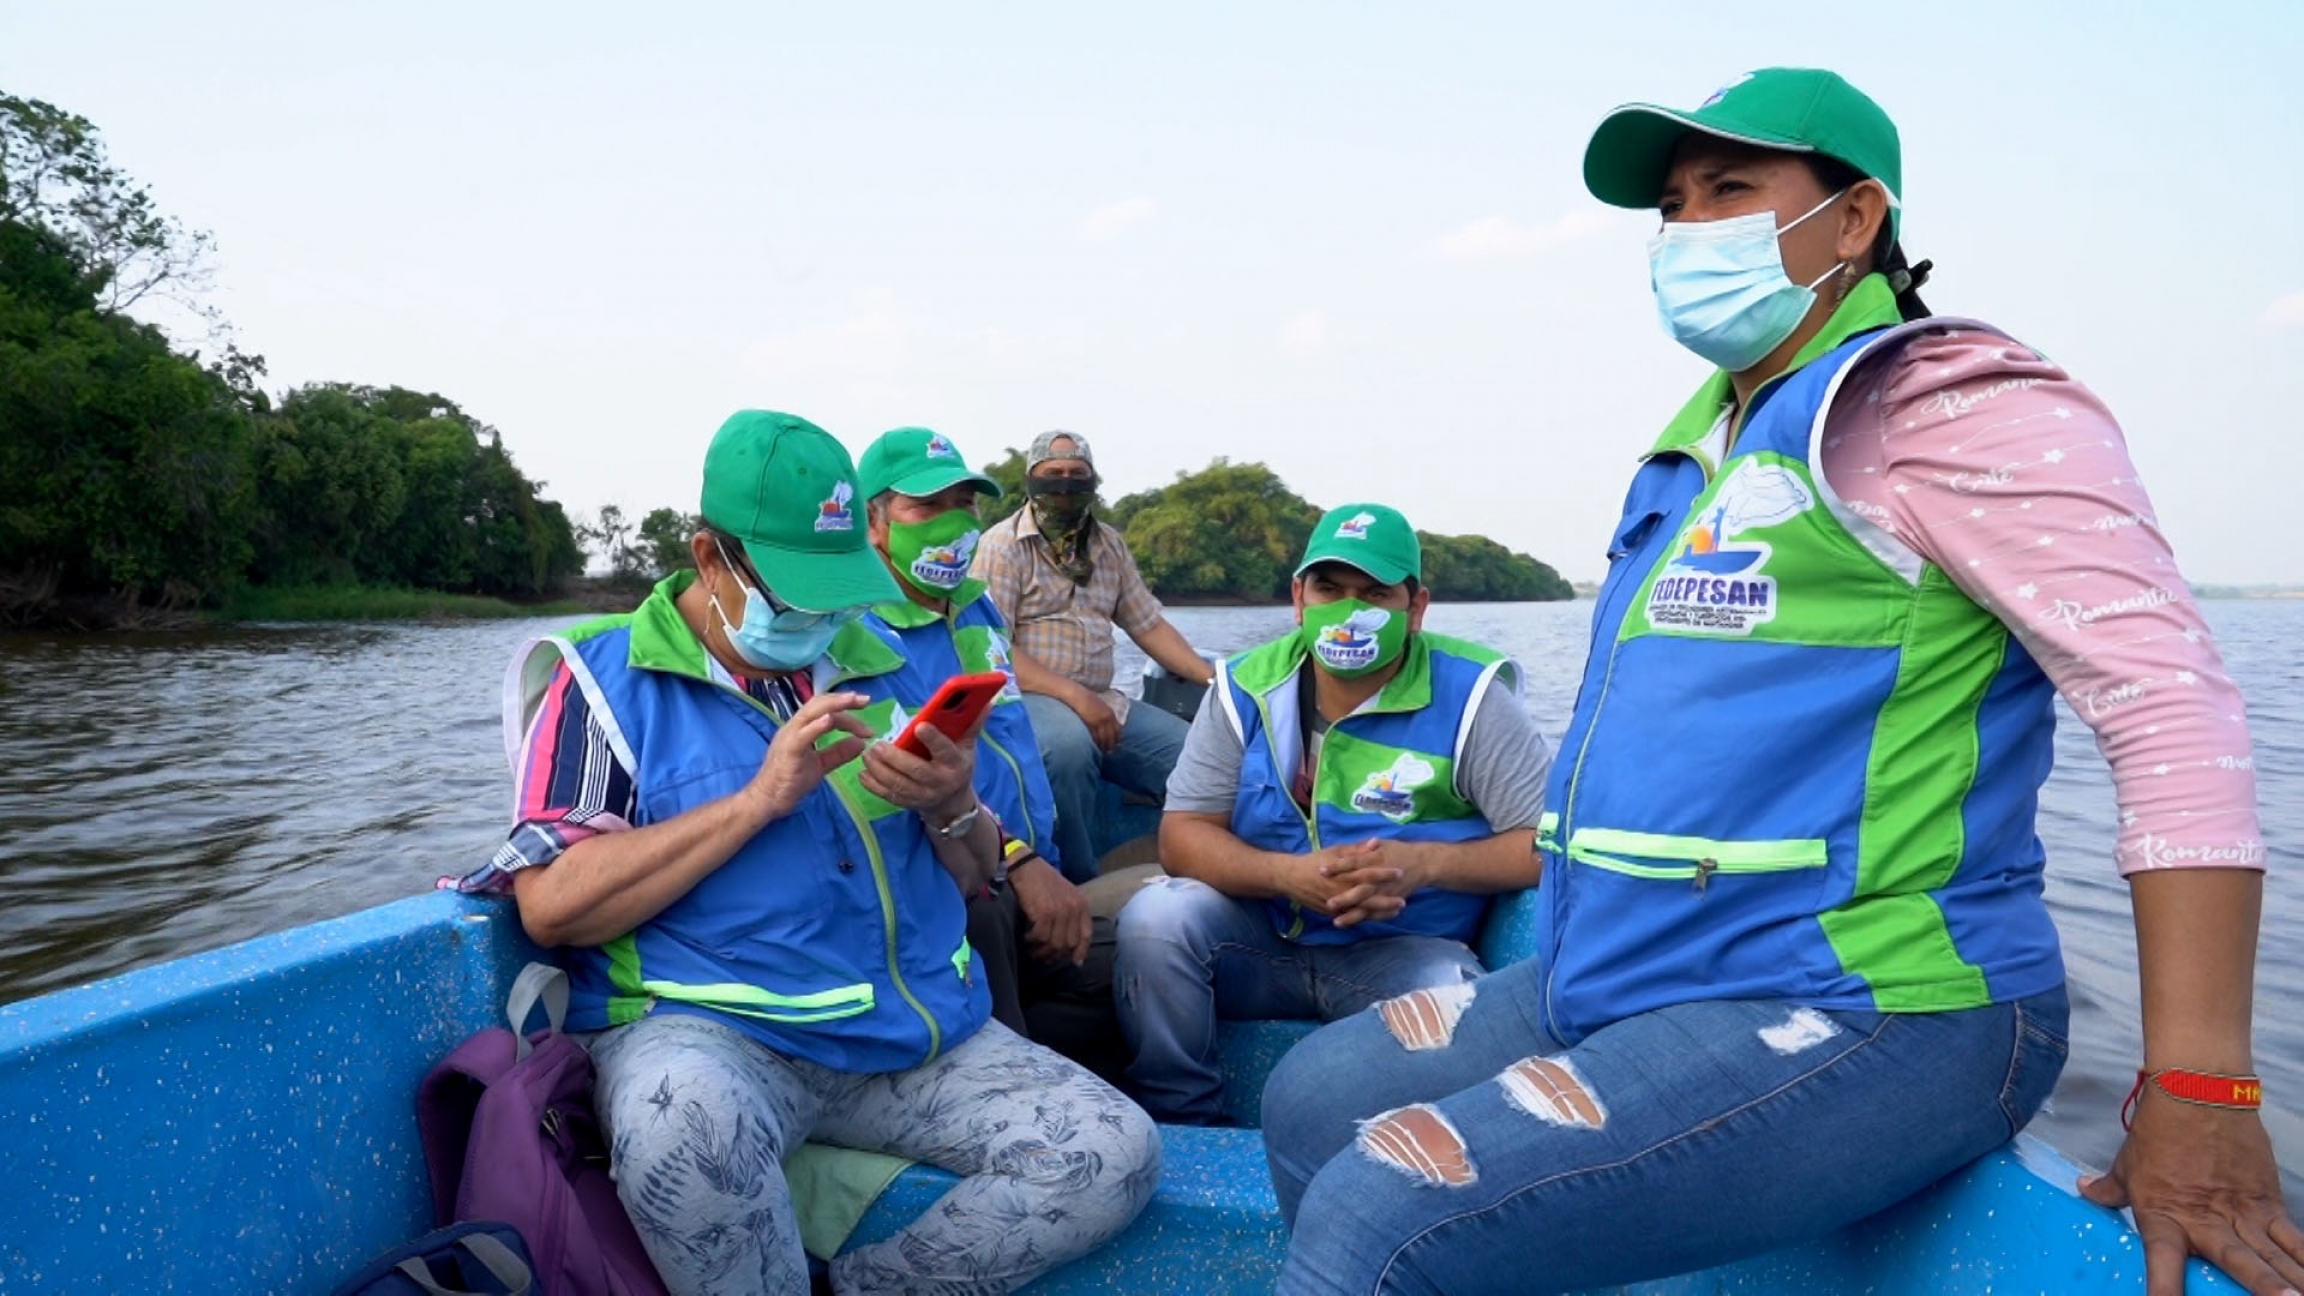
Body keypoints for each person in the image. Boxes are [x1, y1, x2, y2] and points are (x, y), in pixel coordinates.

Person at [1261, 68, 2292, 1296]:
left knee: (1386, 1213)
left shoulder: (1944, 401)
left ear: (1854, 221)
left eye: (1732, 190)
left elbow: (2170, 710)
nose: (1690, 228)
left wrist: (2199, 1081)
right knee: (1309, 1099)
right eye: (1674, 206)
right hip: (1631, 974)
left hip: (1870, 1003)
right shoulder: (1702, 444)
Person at [474, 410, 1158, 1295]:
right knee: (683, 1132)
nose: (825, 615)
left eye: (839, 587)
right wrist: (759, 800)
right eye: (800, 590)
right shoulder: (601, 684)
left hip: (906, 1030)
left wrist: (954, 805)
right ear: (712, 556)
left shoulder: (882, 659)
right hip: (714, 1033)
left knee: (1116, 1153)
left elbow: (970, 872)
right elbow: (552, 905)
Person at [1115, 503, 1549, 1124]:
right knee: (1157, 917)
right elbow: (1182, 837)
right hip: (1263, 938)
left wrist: (1421, 865)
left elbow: (1543, 845)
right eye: (1329, 588)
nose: (1349, 610)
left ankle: (1412, 1153)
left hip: (1403, 948)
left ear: (1415, 607)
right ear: (1299, 597)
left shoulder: (1474, 697)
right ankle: (1183, 1119)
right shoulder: (1244, 688)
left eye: (1374, 593)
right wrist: (1287, 877)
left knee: (1458, 1004)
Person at [854, 424, 1127, 1083]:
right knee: (982, 912)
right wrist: (1017, 863)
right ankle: (1016, 1090)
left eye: (965, 506)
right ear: (875, 524)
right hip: (961, 884)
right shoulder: (856, 635)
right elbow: (908, 794)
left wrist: (1041, 869)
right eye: (927, 507)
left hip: (1034, 872)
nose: (952, 524)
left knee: (1159, 960)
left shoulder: (975, 611)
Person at [971, 430, 1214, 881]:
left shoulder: (1109, 546)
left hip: (1104, 699)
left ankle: (1200, 868)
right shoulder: (1002, 546)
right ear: (1031, 479)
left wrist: (1217, 681)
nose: (1064, 485)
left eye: (1076, 475)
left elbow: (1148, 625)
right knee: (1066, 749)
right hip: (1028, 698)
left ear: (1093, 480)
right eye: (1053, 474)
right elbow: (993, 647)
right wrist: (1075, 698)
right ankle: (1076, 884)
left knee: (1196, 757)